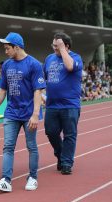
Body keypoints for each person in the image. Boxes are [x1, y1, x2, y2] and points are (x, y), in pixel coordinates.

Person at [0, 32, 46, 192]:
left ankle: (33, 177)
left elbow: (37, 92)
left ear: (17, 47)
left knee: (31, 146)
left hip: (28, 114)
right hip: (11, 113)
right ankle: (6, 180)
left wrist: (35, 114)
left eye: (7, 48)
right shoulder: (7, 65)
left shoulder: (34, 65)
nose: (5, 51)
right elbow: (2, 90)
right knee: (8, 147)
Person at [43, 32, 83, 175]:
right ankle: (61, 155)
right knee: (50, 132)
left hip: (70, 105)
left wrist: (63, 50)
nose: (54, 48)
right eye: (53, 45)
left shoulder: (75, 58)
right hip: (52, 105)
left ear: (66, 46)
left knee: (69, 135)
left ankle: (66, 163)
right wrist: (42, 94)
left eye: (57, 46)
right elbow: (43, 78)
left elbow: (70, 67)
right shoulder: (49, 59)